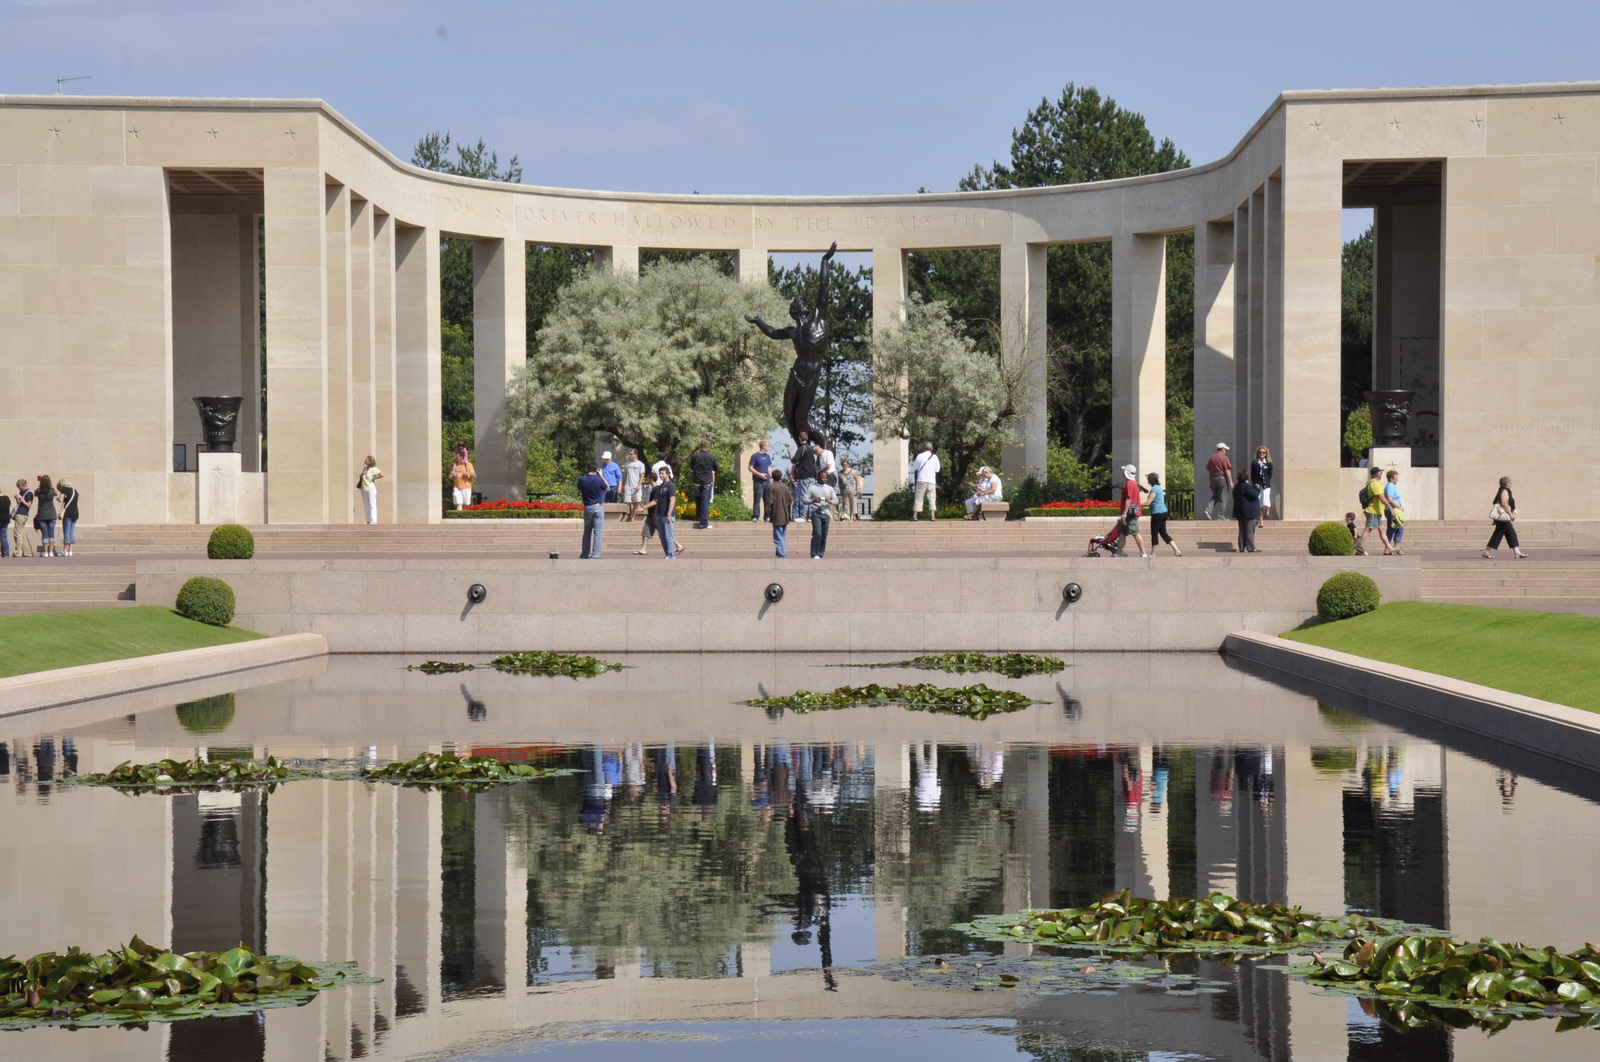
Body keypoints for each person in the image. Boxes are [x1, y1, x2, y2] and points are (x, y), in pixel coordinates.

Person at [746, 241, 836, 444]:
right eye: (794, 303)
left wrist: (824, 260)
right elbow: (771, 332)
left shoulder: (818, 320)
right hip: (796, 374)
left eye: (800, 302)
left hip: (811, 374)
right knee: (789, 416)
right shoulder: (793, 331)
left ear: (804, 308)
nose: (796, 303)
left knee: (800, 417)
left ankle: (824, 439)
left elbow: (824, 286)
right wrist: (758, 321)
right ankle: (802, 450)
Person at [645, 464, 684, 559]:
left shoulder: (671, 486)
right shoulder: (661, 486)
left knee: (669, 536)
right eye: (660, 474)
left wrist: (668, 514)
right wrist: (655, 514)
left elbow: (672, 500)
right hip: (659, 515)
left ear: (668, 474)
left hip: (667, 515)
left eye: (663, 473)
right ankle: (667, 554)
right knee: (662, 537)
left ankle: (671, 555)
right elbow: (657, 501)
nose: (661, 475)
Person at [1483, 475, 1526, 559]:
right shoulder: (1505, 491)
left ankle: (1516, 551)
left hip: (1502, 517)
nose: (1511, 484)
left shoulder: (1502, 490)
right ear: (1507, 484)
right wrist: (1511, 514)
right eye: (1510, 483)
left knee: (1509, 533)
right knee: (1500, 533)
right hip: (1504, 517)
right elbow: (1503, 503)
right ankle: (1487, 551)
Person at [577, 461, 608, 559]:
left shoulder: (582, 479)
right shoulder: (599, 480)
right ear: (596, 470)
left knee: (587, 532)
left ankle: (584, 554)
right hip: (598, 506)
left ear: (588, 469)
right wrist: (602, 476)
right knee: (597, 532)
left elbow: (579, 488)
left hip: (588, 507)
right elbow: (607, 488)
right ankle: (595, 555)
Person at [1145, 472, 1182, 556]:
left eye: (1148, 479)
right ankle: (1176, 550)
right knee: (1163, 532)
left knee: (1154, 533)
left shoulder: (1154, 489)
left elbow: (1148, 502)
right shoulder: (1159, 488)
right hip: (1164, 512)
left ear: (1151, 480)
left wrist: (1137, 505)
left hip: (1157, 513)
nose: (1147, 480)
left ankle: (1153, 554)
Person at [804, 469, 838, 559]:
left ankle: (820, 553)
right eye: (822, 477)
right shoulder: (812, 488)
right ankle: (814, 553)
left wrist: (829, 501)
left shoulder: (829, 488)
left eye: (826, 477)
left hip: (826, 513)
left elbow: (836, 501)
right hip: (816, 512)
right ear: (818, 477)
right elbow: (804, 500)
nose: (824, 479)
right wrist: (814, 500)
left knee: (824, 535)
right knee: (817, 533)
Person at [1117, 464, 1148, 557]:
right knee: (1122, 533)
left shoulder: (1130, 484)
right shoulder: (1132, 483)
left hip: (1130, 514)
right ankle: (1117, 553)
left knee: (1135, 533)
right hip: (1129, 513)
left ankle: (1143, 553)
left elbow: (1128, 498)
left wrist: (1124, 513)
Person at [1359, 466, 1390, 555]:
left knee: (1381, 529)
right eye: (1380, 473)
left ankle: (1389, 547)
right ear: (1377, 474)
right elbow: (1381, 497)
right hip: (1373, 510)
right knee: (1368, 528)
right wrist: (1390, 508)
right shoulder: (1374, 484)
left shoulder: (1372, 483)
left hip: (1376, 511)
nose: (1381, 474)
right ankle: (1359, 548)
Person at [689, 439, 717, 529]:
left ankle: (698, 517)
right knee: (705, 502)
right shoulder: (711, 457)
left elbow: (691, 467)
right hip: (706, 482)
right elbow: (715, 468)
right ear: (708, 447)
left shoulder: (695, 456)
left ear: (700, 447)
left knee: (698, 500)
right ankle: (704, 523)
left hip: (697, 481)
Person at [1232, 471, 1262, 552]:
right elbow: (1255, 494)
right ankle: (1251, 547)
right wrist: (1257, 488)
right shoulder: (1247, 486)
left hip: (1240, 512)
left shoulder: (1237, 486)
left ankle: (1242, 547)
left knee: (1242, 530)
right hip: (1248, 512)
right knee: (1249, 530)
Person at [790, 431, 816, 522]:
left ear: (800, 439)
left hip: (804, 475)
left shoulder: (801, 448)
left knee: (804, 496)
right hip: (812, 475)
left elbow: (793, 460)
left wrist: (789, 452)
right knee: (811, 496)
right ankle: (810, 516)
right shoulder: (810, 448)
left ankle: (803, 516)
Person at [910, 442, 939, 521]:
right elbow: (937, 469)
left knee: (918, 498)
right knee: (932, 498)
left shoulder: (920, 456)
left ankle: (915, 516)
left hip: (921, 480)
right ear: (931, 448)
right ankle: (933, 516)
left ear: (923, 448)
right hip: (931, 480)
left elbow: (914, 467)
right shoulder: (935, 457)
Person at [768, 469, 794, 557]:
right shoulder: (785, 487)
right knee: (782, 536)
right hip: (785, 515)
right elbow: (791, 500)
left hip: (777, 515)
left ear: (772, 476)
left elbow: (770, 502)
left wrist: (767, 513)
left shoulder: (772, 487)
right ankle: (779, 553)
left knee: (778, 537)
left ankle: (783, 554)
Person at [1204, 443, 1232, 520]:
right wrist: (1230, 481)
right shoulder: (1224, 457)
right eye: (1225, 449)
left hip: (1213, 478)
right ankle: (1220, 516)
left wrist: (1210, 481)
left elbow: (1208, 470)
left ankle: (1207, 511)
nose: (1226, 451)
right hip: (1221, 478)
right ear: (1222, 449)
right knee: (1222, 498)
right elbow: (1227, 470)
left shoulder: (1212, 457)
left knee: (1215, 496)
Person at [1383, 468, 1407, 554]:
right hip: (1392, 510)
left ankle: (1393, 548)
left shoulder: (1392, 486)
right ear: (1391, 478)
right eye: (1396, 477)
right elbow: (1389, 499)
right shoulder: (1390, 486)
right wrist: (1399, 507)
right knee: (1396, 528)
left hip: (1393, 510)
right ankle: (1392, 548)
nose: (1397, 479)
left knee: (1395, 528)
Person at [747, 440, 772, 522]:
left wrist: (771, 477)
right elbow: (750, 467)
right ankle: (755, 516)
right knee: (757, 498)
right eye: (768, 445)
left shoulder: (768, 456)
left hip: (767, 481)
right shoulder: (755, 456)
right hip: (758, 481)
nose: (769, 447)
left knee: (767, 499)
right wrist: (759, 474)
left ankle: (767, 516)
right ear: (763, 446)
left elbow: (768, 467)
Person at [34, 475, 58, 557]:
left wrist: (40, 484)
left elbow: (35, 493)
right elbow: (56, 493)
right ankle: (51, 552)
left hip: (42, 514)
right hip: (52, 514)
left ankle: (45, 551)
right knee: (51, 533)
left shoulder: (38, 491)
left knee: (44, 533)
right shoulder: (52, 490)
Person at [1251, 446, 1275, 525]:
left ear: (1266, 454)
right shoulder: (1254, 463)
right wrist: (1255, 483)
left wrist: (1266, 481)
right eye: (1260, 452)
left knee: (1265, 501)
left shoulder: (1269, 463)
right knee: (1259, 503)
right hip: (1258, 486)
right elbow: (1252, 475)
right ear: (1258, 453)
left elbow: (1270, 474)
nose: (1261, 454)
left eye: (1263, 453)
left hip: (1266, 486)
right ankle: (1261, 521)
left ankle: (1267, 509)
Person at [11, 479, 35, 558]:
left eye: (19, 487)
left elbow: (28, 505)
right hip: (20, 513)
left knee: (17, 534)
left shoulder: (29, 493)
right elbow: (20, 504)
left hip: (22, 514)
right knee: (22, 534)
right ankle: (27, 552)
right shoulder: (22, 492)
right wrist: (17, 499)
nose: (19, 489)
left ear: (22, 485)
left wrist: (22, 499)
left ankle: (18, 552)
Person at [622, 448, 646, 522]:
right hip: (628, 485)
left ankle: (633, 517)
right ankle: (630, 514)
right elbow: (625, 475)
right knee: (628, 501)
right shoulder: (627, 464)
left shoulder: (640, 464)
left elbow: (642, 475)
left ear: (636, 454)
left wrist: (639, 484)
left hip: (636, 485)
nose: (630, 455)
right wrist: (623, 485)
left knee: (636, 502)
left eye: (632, 454)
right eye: (630, 454)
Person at [357, 456, 383, 524]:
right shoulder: (365, 468)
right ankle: (368, 520)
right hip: (363, 488)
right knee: (366, 505)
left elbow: (381, 475)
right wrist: (362, 474)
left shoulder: (374, 469)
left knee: (372, 504)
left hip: (371, 488)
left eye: (367, 459)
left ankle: (373, 520)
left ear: (370, 461)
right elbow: (361, 476)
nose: (365, 460)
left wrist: (374, 478)